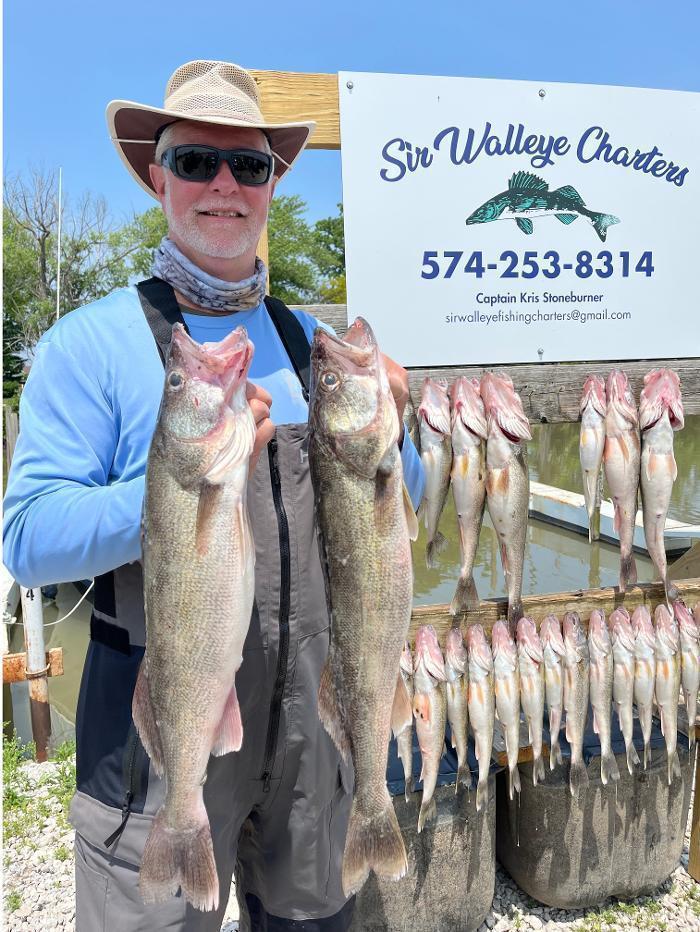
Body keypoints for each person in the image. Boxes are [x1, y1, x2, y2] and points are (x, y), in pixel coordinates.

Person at [3, 60, 424, 931]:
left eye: (250, 166)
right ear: (159, 178)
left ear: (273, 183)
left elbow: (398, 510)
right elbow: (29, 536)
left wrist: (398, 430)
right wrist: (182, 475)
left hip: (315, 724)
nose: (224, 185)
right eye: (196, 162)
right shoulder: (89, 346)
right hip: (164, 738)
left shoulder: (309, 338)